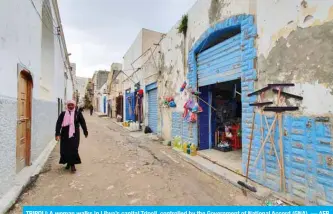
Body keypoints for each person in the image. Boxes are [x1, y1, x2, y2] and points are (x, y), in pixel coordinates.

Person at [55, 100, 88, 172]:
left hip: (74, 134)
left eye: (72, 105)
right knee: (65, 149)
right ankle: (68, 163)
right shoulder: (63, 114)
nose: (70, 106)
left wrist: (85, 132)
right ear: (67, 105)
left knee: (73, 148)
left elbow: (83, 123)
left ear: (74, 105)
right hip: (65, 134)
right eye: (69, 105)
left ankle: (72, 165)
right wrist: (57, 134)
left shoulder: (78, 113)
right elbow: (58, 123)